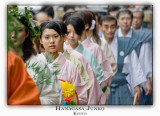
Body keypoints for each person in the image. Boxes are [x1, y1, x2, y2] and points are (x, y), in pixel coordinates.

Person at [26, 21, 88, 104]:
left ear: (62, 38)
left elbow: (81, 97)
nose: (51, 41)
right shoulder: (32, 64)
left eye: (55, 36)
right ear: (40, 40)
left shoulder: (71, 67)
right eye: (47, 37)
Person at [65, 16, 106, 104]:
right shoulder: (61, 51)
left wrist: (89, 92)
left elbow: (98, 76)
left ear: (82, 33)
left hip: (85, 96)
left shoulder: (88, 53)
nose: (71, 35)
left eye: (75, 32)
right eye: (68, 32)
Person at [73, 11, 113, 91]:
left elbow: (107, 71)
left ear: (87, 26)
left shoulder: (96, 47)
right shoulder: (68, 46)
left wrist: (98, 86)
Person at [131, 8, 153, 105]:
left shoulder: (148, 35)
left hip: (144, 75)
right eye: (134, 17)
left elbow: (148, 59)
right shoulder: (124, 33)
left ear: (142, 19)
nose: (136, 20)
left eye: (138, 18)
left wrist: (148, 78)